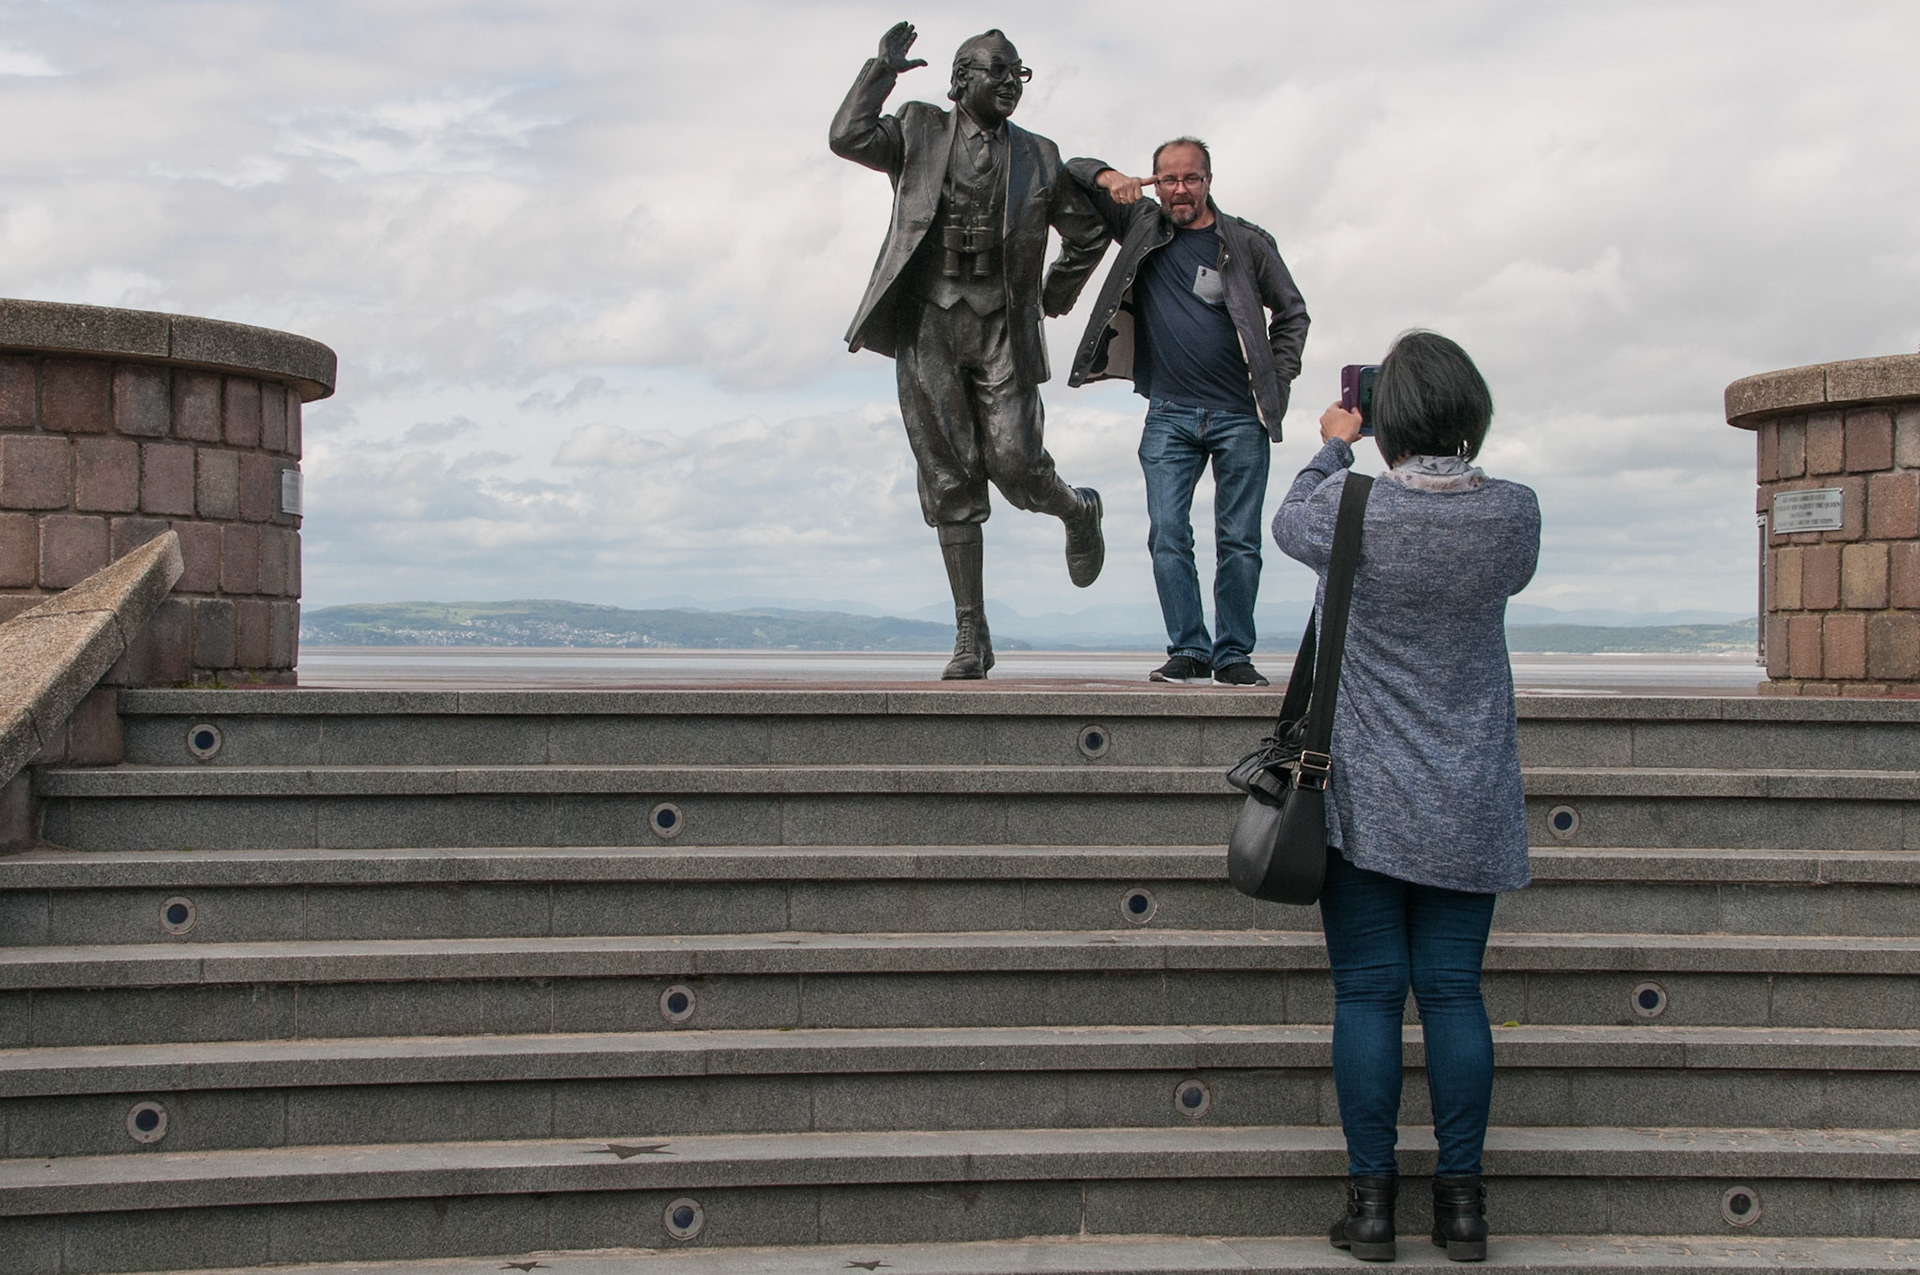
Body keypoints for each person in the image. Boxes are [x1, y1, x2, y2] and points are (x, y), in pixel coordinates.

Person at [1271, 331, 1539, 1263]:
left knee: (1369, 993)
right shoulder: (1514, 514)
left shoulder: (1349, 508)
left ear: (1385, 416)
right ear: (1471, 410)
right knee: (1455, 994)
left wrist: (1335, 442)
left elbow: (1288, 519)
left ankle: (1373, 1207)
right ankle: (1462, 1209)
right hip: (1471, 795)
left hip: (1363, 798)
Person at [830, 22, 1110, 680]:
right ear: (961, 80)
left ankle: (1077, 509)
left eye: (1019, 74)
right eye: (998, 72)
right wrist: (880, 71)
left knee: (1017, 465)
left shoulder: (1039, 155)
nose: (1011, 83)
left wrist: (1052, 296)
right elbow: (847, 136)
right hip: (929, 321)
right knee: (949, 478)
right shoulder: (918, 129)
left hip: (1001, 325)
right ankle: (970, 630)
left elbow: (1088, 232)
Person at [1065, 139, 1309, 686]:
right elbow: (1070, 170)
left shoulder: (1246, 243)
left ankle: (1234, 655)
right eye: (1169, 179)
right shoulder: (1140, 225)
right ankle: (1190, 650)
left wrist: (1277, 379)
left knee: (1239, 541)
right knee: (1168, 534)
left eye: (1191, 178)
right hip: (1169, 413)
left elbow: (1293, 313)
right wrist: (1111, 178)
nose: (1180, 189)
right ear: (1154, 183)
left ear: (1208, 181)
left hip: (1240, 415)